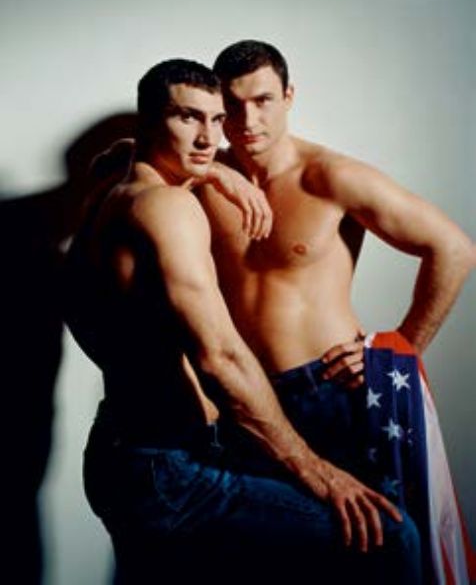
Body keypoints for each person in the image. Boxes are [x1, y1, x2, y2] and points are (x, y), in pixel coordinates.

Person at [63, 59, 421, 584]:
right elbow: (221, 358)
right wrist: (318, 472)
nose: (209, 138)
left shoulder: (104, 192)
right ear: (150, 120)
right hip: (171, 470)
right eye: (188, 117)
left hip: (120, 451)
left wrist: (211, 170)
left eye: (216, 119)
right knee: (391, 536)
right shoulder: (169, 208)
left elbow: (125, 154)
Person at [191, 39, 473, 583]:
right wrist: (213, 174)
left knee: (372, 551)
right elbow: (133, 157)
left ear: (289, 96)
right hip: (249, 401)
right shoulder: (204, 177)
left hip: (332, 392)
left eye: (263, 100)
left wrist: (403, 348)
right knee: (271, 565)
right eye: (233, 106)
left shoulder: (329, 177)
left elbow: (453, 249)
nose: (248, 121)